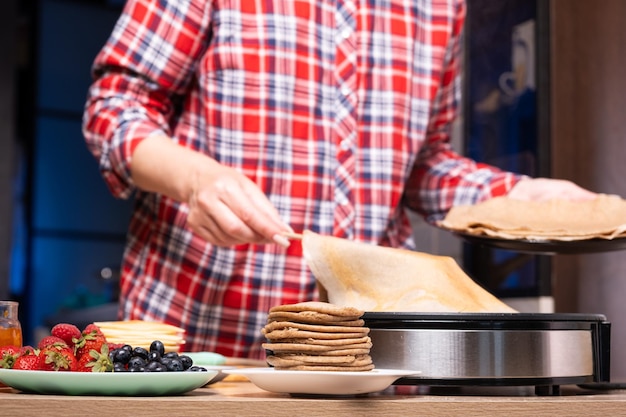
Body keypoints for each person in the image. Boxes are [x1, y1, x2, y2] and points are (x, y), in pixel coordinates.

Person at [82, 0, 595, 359]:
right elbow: (115, 107)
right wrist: (195, 178)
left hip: (368, 352)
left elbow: (422, 165)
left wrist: (518, 196)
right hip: (205, 339)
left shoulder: (442, 6)